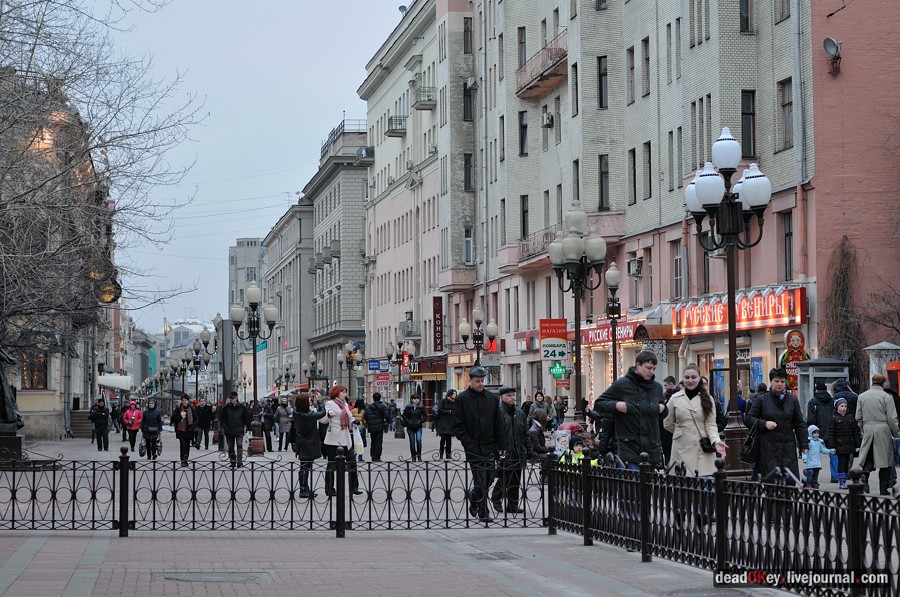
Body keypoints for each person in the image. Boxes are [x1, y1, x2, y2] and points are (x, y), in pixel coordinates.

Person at [594, 351, 667, 470]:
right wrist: (616, 405)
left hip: (651, 446)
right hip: (629, 446)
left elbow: (661, 412)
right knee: (634, 484)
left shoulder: (657, 388)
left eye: (654, 368)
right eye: (648, 368)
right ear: (638, 365)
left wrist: (663, 409)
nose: (651, 372)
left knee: (649, 486)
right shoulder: (622, 385)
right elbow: (599, 404)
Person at [453, 366, 506, 522]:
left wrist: (502, 445)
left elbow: (498, 424)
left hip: (490, 446)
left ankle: (474, 496)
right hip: (473, 447)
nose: (480, 384)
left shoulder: (491, 398)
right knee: (480, 479)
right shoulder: (462, 399)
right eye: (477, 381)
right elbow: (458, 425)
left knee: (490, 478)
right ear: (470, 381)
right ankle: (483, 512)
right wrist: (468, 443)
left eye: (482, 381)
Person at [745, 367, 808, 483]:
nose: (779, 384)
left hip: (787, 447)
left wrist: (804, 444)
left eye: (782, 381)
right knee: (771, 482)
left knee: (789, 482)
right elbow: (749, 419)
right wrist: (764, 423)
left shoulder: (792, 400)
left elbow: (799, 423)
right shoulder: (762, 399)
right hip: (768, 448)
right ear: (771, 382)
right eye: (776, 381)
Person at [662, 364, 727, 476]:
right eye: (687, 377)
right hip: (681, 449)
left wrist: (716, 441)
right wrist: (681, 432)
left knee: (704, 487)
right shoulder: (675, 398)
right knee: (683, 488)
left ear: (699, 378)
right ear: (683, 379)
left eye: (694, 377)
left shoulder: (708, 399)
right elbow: (667, 422)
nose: (690, 380)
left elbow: (711, 424)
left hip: (702, 449)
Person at [855, 374, 900, 495]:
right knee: (885, 461)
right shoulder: (887, 396)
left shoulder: (862, 396)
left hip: (868, 428)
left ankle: (865, 473)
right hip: (883, 429)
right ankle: (883, 488)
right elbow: (892, 418)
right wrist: (896, 433)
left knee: (869, 456)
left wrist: (864, 428)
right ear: (883, 383)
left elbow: (858, 416)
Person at [490, 386, 531, 514]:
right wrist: (496, 451)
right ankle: (496, 498)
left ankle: (512, 505)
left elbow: (525, 433)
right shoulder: (498, 412)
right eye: (509, 395)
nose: (512, 398)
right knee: (504, 477)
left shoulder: (519, 413)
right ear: (501, 397)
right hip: (504, 451)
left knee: (516, 479)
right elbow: (494, 433)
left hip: (518, 450)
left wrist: (528, 449)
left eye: (513, 395)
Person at [322, 385, 362, 496]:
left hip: (345, 437)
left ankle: (354, 488)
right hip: (333, 438)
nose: (345, 394)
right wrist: (329, 415)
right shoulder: (330, 403)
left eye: (345, 392)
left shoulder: (345, 404)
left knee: (352, 462)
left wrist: (354, 422)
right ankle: (329, 489)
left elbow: (350, 417)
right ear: (336, 393)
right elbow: (323, 419)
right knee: (331, 464)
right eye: (343, 392)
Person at [293, 393, 326, 497]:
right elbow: (322, 413)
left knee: (304, 467)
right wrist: (320, 401)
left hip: (302, 443)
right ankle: (303, 490)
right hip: (308, 444)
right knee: (305, 467)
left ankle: (305, 488)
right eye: (308, 401)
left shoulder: (297, 413)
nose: (309, 402)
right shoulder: (308, 415)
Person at [826, 397, 861, 489]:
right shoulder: (833, 418)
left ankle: (844, 479)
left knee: (847, 464)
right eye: (841, 406)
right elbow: (831, 433)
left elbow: (855, 432)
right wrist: (832, 446)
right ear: (837, 407)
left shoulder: (850, 418)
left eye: (845, 406)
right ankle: (842, 481)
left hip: (849, 444)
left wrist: (857, 445)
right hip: (839, 445)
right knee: (842, 462)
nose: (844, 408)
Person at [807, 381, 837, 482]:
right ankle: (835, 476)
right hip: (831, 431)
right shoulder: (832, 401)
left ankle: (812, 475)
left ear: (816, 390)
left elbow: (811, 419)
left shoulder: (813, 401)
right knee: (832, 452)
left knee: (813, 453)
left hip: (817, 432)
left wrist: (811, 432)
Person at [220, 392, 251, 468]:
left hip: (239, 430)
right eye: (230, 398)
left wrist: (249, 428)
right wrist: (225, 427)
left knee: (239, 445)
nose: (231, 400)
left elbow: (246, 418)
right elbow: (222, 419)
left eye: (233, 398)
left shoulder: (242, 407)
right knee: (230, 447)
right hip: (229, 430)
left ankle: (239, 462)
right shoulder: (226, 408)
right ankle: (233, 461)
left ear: (236, 398)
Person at [363, 392, 391, 462]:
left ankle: (372, 455)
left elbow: (365, 416)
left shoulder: (369, 407)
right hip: (379, 426)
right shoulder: (382, 406)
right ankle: (377, 457)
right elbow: (387, 415)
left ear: (373, 398)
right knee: (378, 442)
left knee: (373, 441)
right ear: (380, 398)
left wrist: (369, 422)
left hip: (372, 426)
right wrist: (387, 421)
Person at [171, 396, 196, 467]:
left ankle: (186, 459)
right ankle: (183, 460)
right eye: (183, 400)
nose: (184, 401)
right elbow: (173, 419)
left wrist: (193, 426)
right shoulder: (178, 409)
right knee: (183, 445)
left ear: (188, 401)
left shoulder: (191, 409)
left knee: (187, 446)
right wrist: (180, 417)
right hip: (180, 430)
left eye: (185, 400)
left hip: (189, 431)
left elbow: (196, 419)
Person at [401, 394, 426, 461]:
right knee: (412, 442)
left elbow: (425, 416)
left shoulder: (421, 407)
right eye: (414, 399)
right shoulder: (408, 407)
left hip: (418, 427)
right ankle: (413, 456)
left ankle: (419, 456)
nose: (416, 400)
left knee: (419, 440)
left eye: (417, 398)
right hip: (410, 427)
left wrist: (421, 421)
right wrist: (407, 421)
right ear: (411, 400)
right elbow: (403, 415)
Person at [660, 375, 678, 463]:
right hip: (666, 434)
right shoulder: (664, 397)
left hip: (675, 433)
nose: (665, 388)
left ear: (671, 384)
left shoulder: (678, 396)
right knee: (668, 457)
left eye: (665, 385)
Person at [434, 390, 457, 459]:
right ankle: (441, 453)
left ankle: (448, 454)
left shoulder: (455, 402)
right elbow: (439, 410)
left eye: (456, 394)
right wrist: (449, 411)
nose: (455, 395)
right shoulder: (443, 401)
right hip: (443, 422)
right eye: (454, 394)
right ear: (450, 394)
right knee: (443, 437)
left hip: (451, 422)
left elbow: (456, 410)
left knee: (449, 439)